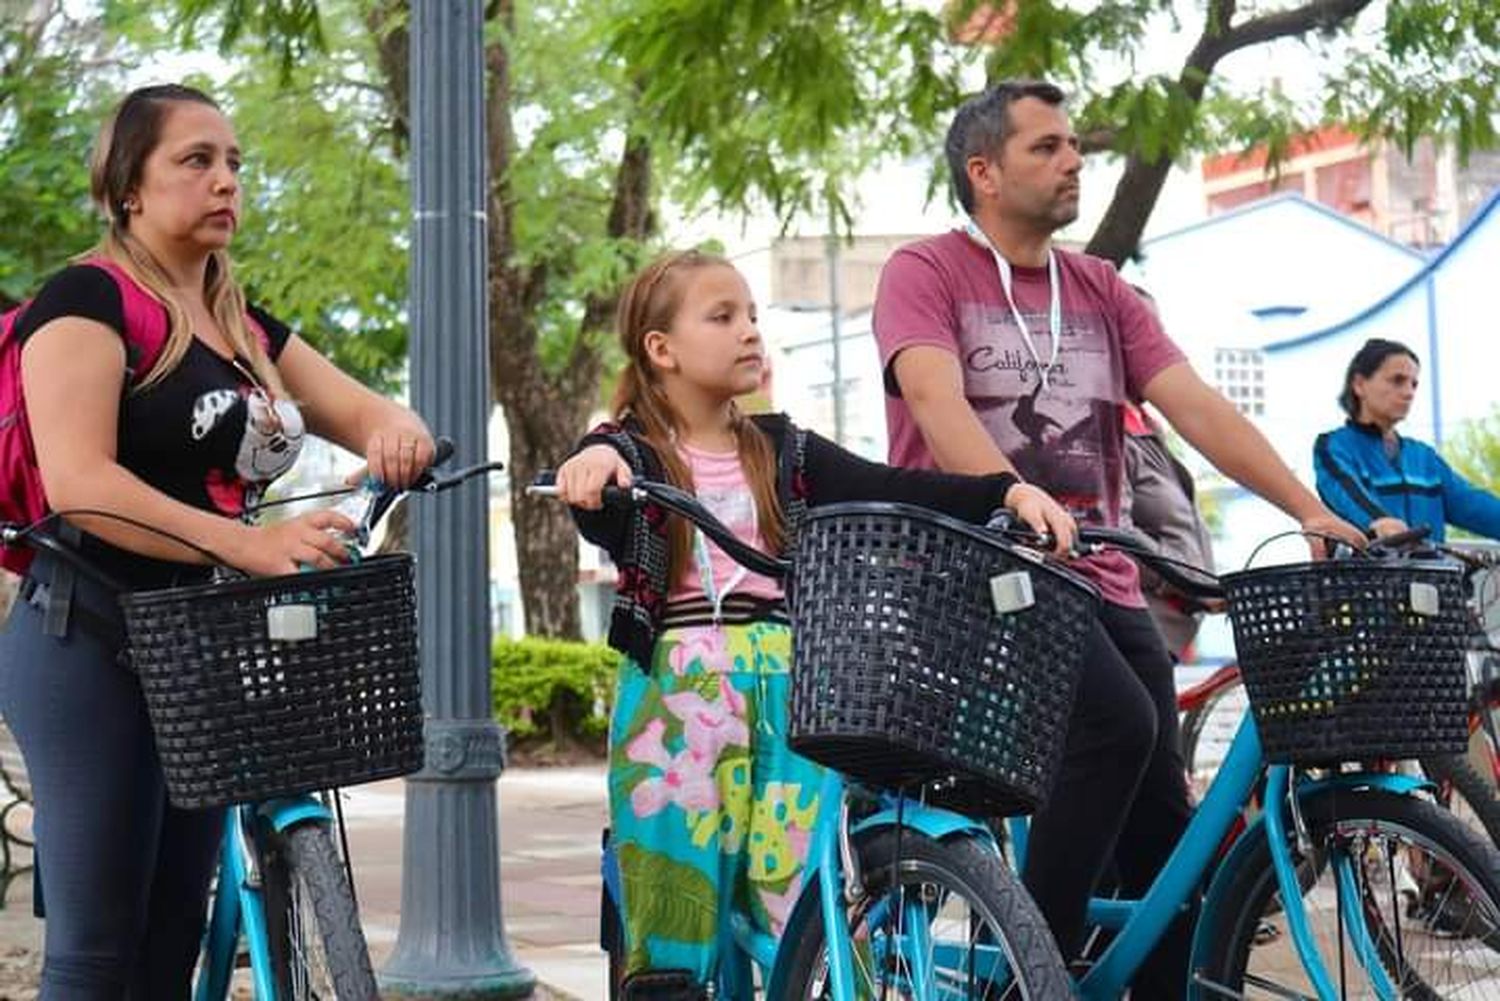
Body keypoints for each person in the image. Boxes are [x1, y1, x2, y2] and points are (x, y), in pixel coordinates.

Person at [870, 78, 1362, 994]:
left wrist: (1306, 504)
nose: (1073, 163)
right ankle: (1030, 972)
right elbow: (934, 399)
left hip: (1104, 574)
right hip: (983, 574)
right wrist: (1010, 492)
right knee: (1114, 724)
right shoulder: (926, 272)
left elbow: (1196, 405)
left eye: (1075, 149)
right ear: (983, 171)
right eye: (1047, 147)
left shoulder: (1098, 288)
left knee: (1162, 833)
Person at [0, 83, 433, 998]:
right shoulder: (87, 299)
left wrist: (400, 434)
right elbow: (81, 480)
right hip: (87, 634)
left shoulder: (243, 326)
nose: (225, 180)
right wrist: (249, 545)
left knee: (172, 939)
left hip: (199, 649)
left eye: (234, 162)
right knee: (94, 949)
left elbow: (365, 411)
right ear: (129, 189)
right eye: (196, 161)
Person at [553, 249, 1032, 998]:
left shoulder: (784, 450)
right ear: (661, 348)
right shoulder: (635, 454)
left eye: (752, 314)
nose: (749, 330)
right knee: (675, 912)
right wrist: (590, 467)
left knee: (805, 900)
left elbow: (895, 486)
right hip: (673, 709)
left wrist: (1006, 492)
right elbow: (600, 470)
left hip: (791, 696)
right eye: (723, 316)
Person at [1315, 337, 1500, 542]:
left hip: (1432, 573)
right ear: (1359, 384)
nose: (1409, 392)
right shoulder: (1334, 446)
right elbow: (1345, 491)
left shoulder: (1424, 457)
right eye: (1397, 380)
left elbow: (1472, 504)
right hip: (1365, 572)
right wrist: (1379, 520)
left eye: (1414, 384)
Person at [1120, 401, 1217, 661]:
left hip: (1169, 634)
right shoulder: (1109, 431)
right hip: (1138, 628)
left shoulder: (1145, 423)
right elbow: (1113, 533)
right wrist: (1191, 583)